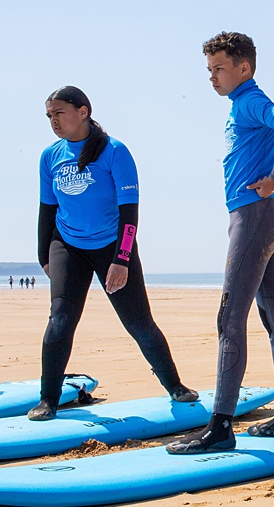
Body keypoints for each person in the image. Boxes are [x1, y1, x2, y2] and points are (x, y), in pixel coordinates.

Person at [166, 32, 274, 454]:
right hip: (267, 217)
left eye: (219, 68)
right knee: (273, 316)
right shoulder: (241, 103)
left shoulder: (249, 100)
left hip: (255, 216)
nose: (212, 77)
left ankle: (220, 427)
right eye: (209, 70)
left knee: (230, 321)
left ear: (243, 67)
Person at [32, 86, 197, 420]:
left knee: (138, 323)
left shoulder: (114, 152)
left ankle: (175, 385)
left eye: (59, 113)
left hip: (112, 245)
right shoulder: (50, 156)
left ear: (83, 111)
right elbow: (46, 209)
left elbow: (130, 211)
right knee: (61, 320)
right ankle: (48, 399)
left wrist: (122, 258)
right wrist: (44, 256)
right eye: (49, 115)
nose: (54, 121)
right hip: (68, 245)